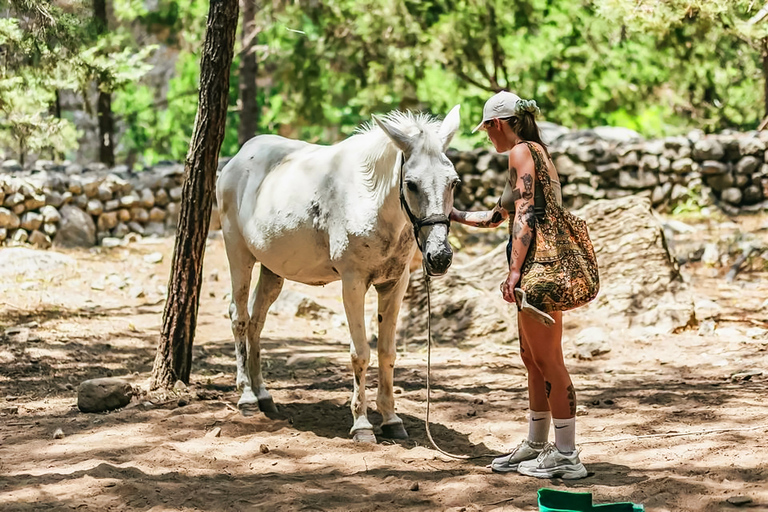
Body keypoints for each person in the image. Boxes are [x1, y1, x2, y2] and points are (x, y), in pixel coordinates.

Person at [449, 91, 587, 480]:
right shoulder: (535, 152)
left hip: (537, 269)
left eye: (487, 130)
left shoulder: (521, 153)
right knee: (532, 359)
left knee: (549, 362)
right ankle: (537, 442)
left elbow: (525, 213)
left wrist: (513, 272)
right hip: (537, 266)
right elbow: (499, 216)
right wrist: (453, 215)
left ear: (497, 124)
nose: (487, 138)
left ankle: (566, 454)